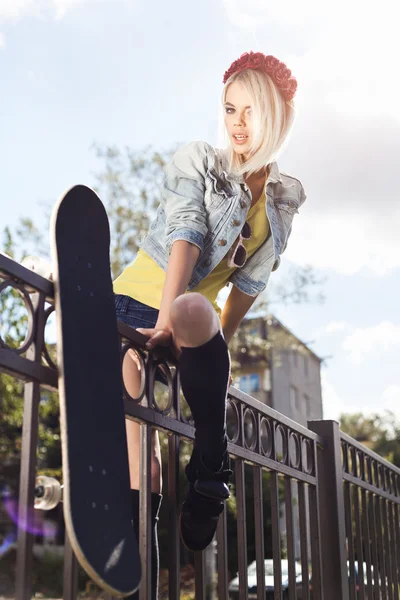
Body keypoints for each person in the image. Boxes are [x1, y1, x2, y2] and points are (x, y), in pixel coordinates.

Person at [113, 50, 306, 598]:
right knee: (144, 469)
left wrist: (217, 359)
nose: (238, 124)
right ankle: (142, 585)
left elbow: (248, 285)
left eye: (251, 112)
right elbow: (186, 235)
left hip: (190, 325)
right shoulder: (199, 161)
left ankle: (210, 462)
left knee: (200, 314)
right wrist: (160, 322)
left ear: (277, 119)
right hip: (133, 313)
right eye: (229, 110)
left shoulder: (283, 201)